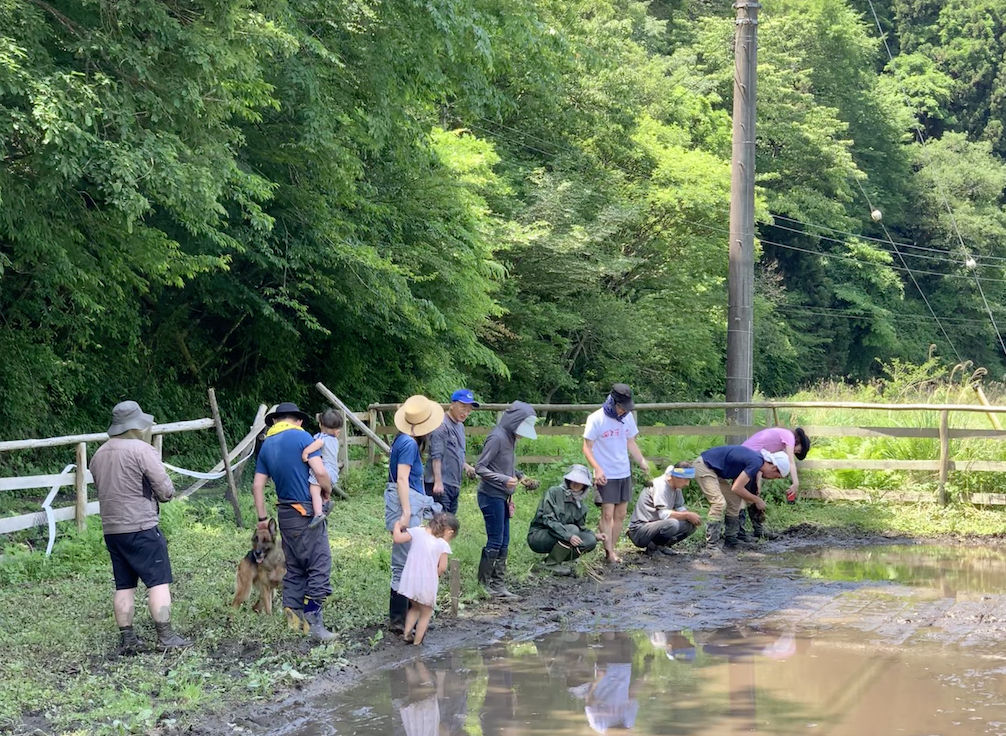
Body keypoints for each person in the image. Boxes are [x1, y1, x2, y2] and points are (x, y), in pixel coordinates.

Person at [90, 400, 192, 654]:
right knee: (158, 582)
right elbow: (165, 490)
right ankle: (166, 637)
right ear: (136, 425)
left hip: (112, 530)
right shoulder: (142, 450)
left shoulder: (99, 454)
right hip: (142, 527)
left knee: (123, 586)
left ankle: (128, 639)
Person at [252, 401, 335, 641]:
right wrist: (327, 489)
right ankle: (314, 620)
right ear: (297, 420)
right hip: (306, 511)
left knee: (295, 565)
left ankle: (293, 614)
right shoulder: (302, 438)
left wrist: (261, 519)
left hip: (285, 514)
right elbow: (319, 472)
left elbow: (258, 485)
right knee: (320, 562)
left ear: (276, 421)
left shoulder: (266, 445)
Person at [384, 395, 445, 632]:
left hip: (408, 499)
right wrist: (407, 512)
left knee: (410, 556)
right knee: (404, 559)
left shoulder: (402, 440)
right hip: (406, 502)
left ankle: (408, 614)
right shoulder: (409, 444)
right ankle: (399, 618)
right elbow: (401, 478)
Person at [475, 400, 539, 597]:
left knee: (504, 541)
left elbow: (505, 464)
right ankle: (484, 585)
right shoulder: (496, 437)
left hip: (503, 496)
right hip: (490, 495)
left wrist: (521, 477)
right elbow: (480, 467)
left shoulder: (510, 439)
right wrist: (504, 479)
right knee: (495, 540)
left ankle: (498, 584)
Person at [583, 383, 650, 564]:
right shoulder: (596, 419)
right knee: (607, 514)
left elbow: (631, 442)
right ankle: (609, 552)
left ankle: (612, 546)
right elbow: (587, 447)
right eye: (621, 407)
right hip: (606, 472)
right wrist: (597, 468)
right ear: (613, 402)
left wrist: (641, 461)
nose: (623, 411)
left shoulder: (627, 418)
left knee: (620, 514)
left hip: (623, 471)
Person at [693, 445, 790, 549]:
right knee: (719, 503)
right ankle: (711, 546)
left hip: (716, 471)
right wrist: (756, 500)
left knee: (735, 500)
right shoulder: (756, 462)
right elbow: (737, 488)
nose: (773, 479)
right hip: (705, 466)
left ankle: (731, 540)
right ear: (774, 467)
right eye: (776, 476)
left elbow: (737, 487)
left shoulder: (757, 460)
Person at [391, 512, 460, 645]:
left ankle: (406, 634)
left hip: (410, 579)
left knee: (415, 608)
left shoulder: (417, 531)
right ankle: (417, 643)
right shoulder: (442, 544)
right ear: (449, 532)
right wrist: (434, 576)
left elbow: (398, 538)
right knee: (425, 613)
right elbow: (442, 568)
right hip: (426, 582)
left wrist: (396, 526)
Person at [527, 464, 607, 576]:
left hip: (562, 536)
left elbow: (581, 528)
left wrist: (595, 535)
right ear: (568, 480)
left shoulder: (581, 506)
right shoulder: (554, 492)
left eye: (580, 482)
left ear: (584, 486)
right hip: (539, 536)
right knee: (572, 530)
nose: (576, 483)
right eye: (573, 480)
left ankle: (555, 559)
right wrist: (568, 536)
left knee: (590, 540)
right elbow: (548, 519)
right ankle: (551, 564)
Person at [627, 462, 702, 555]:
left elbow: (679, 507)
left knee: (690, 524)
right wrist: (687, 515)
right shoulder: (660, 485)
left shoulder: (677, 487)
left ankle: (661, 546)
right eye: (686, 479)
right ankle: (652, 548)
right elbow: (663, 514)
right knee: (672, 523)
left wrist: (692, 517)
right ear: (675, 477)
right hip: (640, 530)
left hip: (656, 525)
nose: (687, 484)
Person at [424, 389, 479, 515]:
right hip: (440, 484)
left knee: (449, 524)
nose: (466, 412)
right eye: (463, 407)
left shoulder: (460, 426)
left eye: (469, 409)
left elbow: (455, 453)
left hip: (454, 484)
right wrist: (438, 482)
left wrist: (466, 466)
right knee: (440, 525)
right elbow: (436, 455)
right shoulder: (442, 425)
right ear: (453, 404)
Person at [300, 408, 344, 529]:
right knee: (323, 491)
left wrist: (305, 452)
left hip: (324, 469)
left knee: (314, 490)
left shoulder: (321, 438)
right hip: (334, 471)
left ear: (320, 424)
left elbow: (317, 445)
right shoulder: (334, 440)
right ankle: (325, 503)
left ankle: (318, 513)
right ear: (337, 431)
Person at [742, 426, 810, 503]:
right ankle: (741, 510)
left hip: (750, 454)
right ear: (799, 441)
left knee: (752, 489)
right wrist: (796, 483)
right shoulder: (789, 437)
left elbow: (762, 462)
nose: (795, 452)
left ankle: (744, 510)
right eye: (799, 450)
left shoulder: (779, 445)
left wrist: (758, 482)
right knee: (745, 488)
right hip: (749, 454)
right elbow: (791, 462)